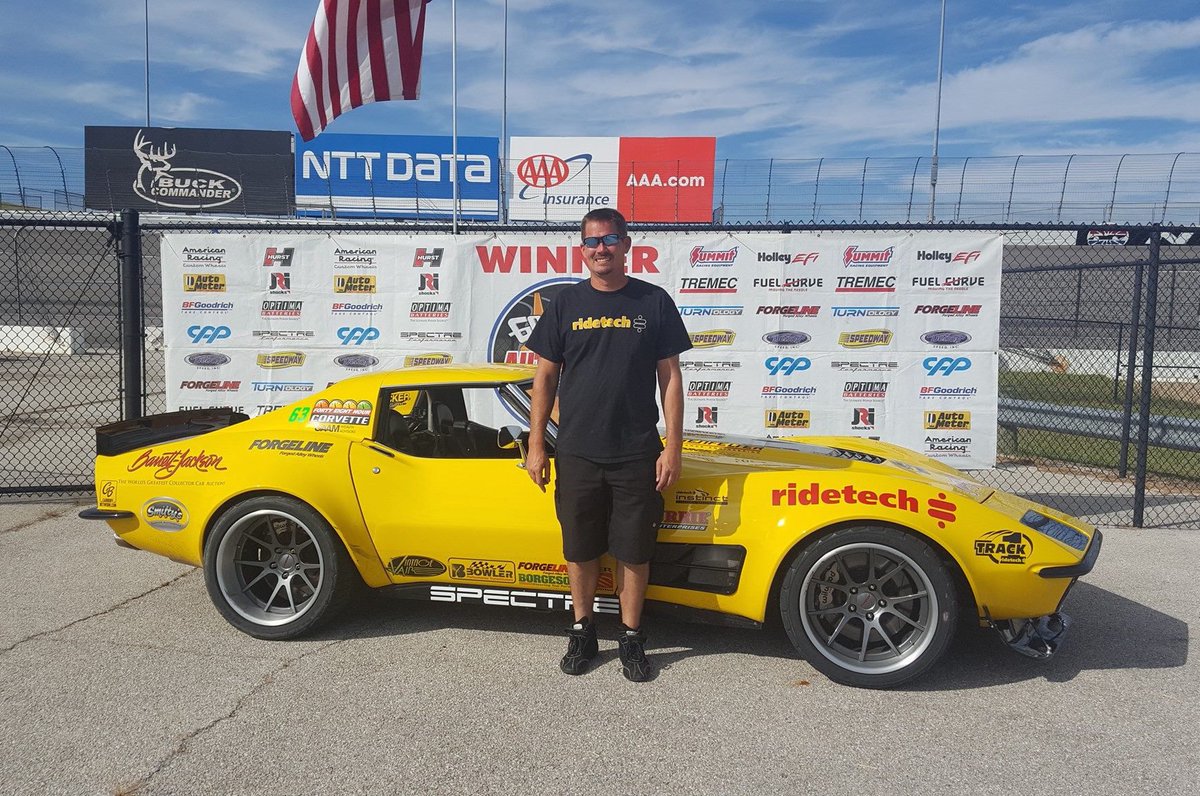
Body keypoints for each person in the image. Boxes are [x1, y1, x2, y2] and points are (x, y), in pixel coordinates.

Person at [524, 207, 692, 682]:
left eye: (610, 240)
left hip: (637, 450)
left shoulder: (653, 301)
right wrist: (537, 445)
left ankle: (633, 638)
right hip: (576, 451)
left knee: (634, 551)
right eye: (592, 242)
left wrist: (672, 446)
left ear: (626, 245)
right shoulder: (565, 305)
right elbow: (545, 377)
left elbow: (671, 378)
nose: (601, 248)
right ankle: (583, 632)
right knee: (580, 549)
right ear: (582, 250)